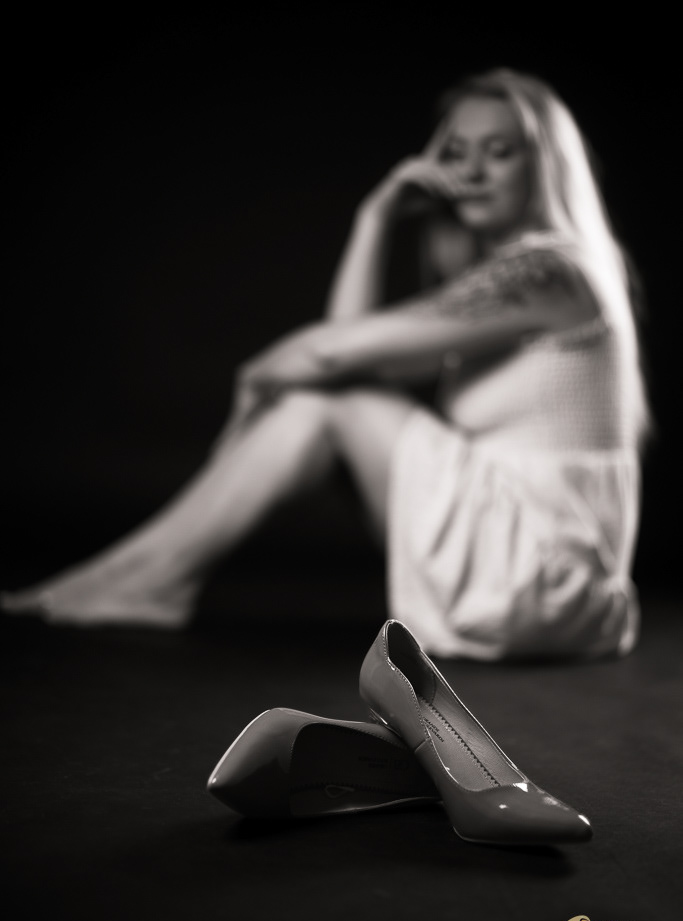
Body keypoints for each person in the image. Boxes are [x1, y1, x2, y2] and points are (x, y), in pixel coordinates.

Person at [1, 68, 650, 659]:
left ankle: (143, 580)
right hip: (556, 589)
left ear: (546, 166)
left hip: (534, 576)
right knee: (329, 395)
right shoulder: (540, 275)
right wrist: (376, 218)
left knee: (326, 397)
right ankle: (140, 578)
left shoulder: (546, 272)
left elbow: (329, 353)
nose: (472, 171)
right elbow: (344, 353)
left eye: (499, 151)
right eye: (455, 152)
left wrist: (254, 379)